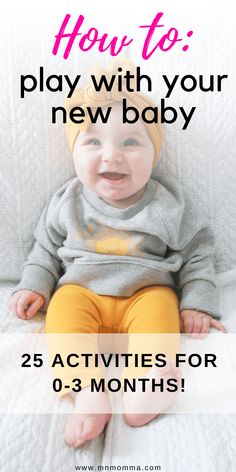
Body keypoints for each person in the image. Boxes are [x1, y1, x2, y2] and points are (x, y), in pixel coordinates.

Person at [9, 59, 226, 447]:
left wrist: (198, 302)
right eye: (93, 141)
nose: (111, 155)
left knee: (161, 316)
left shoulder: (167, 202)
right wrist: (34, 286)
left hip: (147, 291)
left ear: (154, 152)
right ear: (73, 151)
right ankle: (88, 391)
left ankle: (151, 382)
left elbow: (198, 252)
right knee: (61, 318)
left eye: (131, 141)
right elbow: (44, 249)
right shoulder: (67, 200)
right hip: (81, 290)